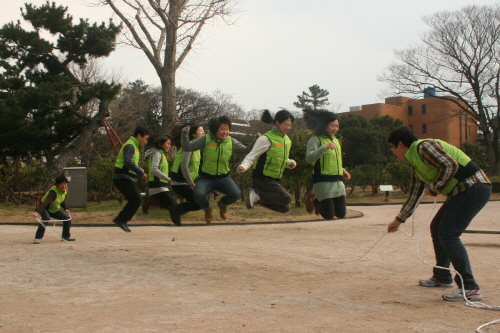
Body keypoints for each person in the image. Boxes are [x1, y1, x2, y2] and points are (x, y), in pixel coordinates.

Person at [386, 125, 491, 302]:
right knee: (437, 228)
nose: (392, 151)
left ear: (400, 144)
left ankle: (470, 287)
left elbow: (450, 165)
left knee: (448, 234)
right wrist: (399, 219)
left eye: (392, 147)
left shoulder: (423, 147)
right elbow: (414, 193)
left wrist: (434, 188)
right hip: (462, 191)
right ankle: (442, 276)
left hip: (473, 187)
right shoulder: (415, 161)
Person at [181, 116, 256, 224]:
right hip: (206, 177)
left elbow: (246, 150)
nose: (225, 132)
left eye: (227, 129)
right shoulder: (205, 139)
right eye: (222, 129)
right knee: (198, 194)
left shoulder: (231, 141)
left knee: (236, 194)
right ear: (215, 129)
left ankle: (223, 204)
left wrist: (256, 140)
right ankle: (207, 209)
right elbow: (187, 147)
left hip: (223, 177)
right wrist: (184, 134)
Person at [237, 109, 296, 212]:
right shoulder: (266, 139)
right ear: (278, 122)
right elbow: (252, 156)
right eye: (286, 124)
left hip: (274, 179)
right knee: (287, 198)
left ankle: (257, 198)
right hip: (262, 178)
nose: (288, 127)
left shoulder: (287, 140)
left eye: (290, 125)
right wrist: (244, 166)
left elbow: (280, 158)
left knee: (285, 208)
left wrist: (289, 163)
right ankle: (256, 194)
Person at [303, 109, 351, 220]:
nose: (335, 129)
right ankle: (314, 198)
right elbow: (309, 159)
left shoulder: (335, 141)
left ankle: (317, 197)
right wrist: (324, 147)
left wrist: (343, 171)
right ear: (324, 125)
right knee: (329, 215)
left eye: (337, 126)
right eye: (332, 125)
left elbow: (335, 160)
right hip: (323, 181)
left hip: (337, 181)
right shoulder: (315, 140)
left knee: (341, 214)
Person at [112, 126, 149, 232]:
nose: (145, 142)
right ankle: (120, 219)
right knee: (137, 198)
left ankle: (121, 219)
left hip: (126, 177)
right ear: (139, 136)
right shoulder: (130, 145)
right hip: (122, 177)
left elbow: (131, 163)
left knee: (135, 199)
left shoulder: (134, 146)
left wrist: (138, 170)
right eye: (145, 139)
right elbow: (128, 162)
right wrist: (140, 171)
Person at [143, 134, 181, 226]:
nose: (170, 146)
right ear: (160, 144)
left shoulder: (162, 154)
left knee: (168, 204)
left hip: (162, 185)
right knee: (173, 204)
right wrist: (168, 179)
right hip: (157, 184)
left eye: (170, 144)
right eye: (168, 143)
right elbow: (154, 169)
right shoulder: (157, 154)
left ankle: (151, 202)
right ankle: (177, 224)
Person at [168, 123, 205, 215]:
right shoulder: (189, 146)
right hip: (179, 182)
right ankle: (175, 210)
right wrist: (191, 183)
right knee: (199, 203)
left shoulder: (197, 148)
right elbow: (184, 166)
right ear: (194, 135)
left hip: (186, 182)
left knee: (199, 203)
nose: (204, 133)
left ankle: (176, 213)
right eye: (201, 131)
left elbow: (195, 168)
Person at [33, 176, 74, 243]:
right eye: (61, 184)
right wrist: (37, 211)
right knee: (46, 218)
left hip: (54, 209)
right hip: (44, 208)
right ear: (57, 185)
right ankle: (37, 238)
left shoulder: (65, 191)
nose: (63, 186)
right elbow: (46, 202)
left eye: (65, 184)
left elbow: (62, 200)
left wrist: (65, 208)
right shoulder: (53, 192)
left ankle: (65, 236)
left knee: (67, 218)